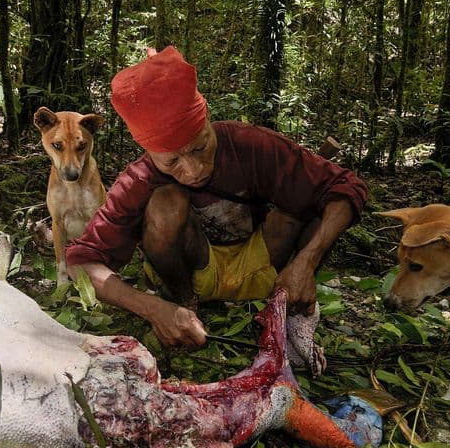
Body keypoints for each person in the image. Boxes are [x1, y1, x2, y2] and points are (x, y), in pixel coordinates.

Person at [67, 46, 367, 349]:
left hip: (262, 266)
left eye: (200, 147)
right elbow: (82, 261)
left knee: (312, 200)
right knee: (164, 203)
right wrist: (152, 308)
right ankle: (183, 304)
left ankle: (293, 316)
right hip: (195, 271)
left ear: (208, 123)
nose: (193, 169)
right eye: (172, 162)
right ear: (150, 154)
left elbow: (345, 187)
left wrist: (306, 261)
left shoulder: (249, 144)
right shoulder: (139, 179)